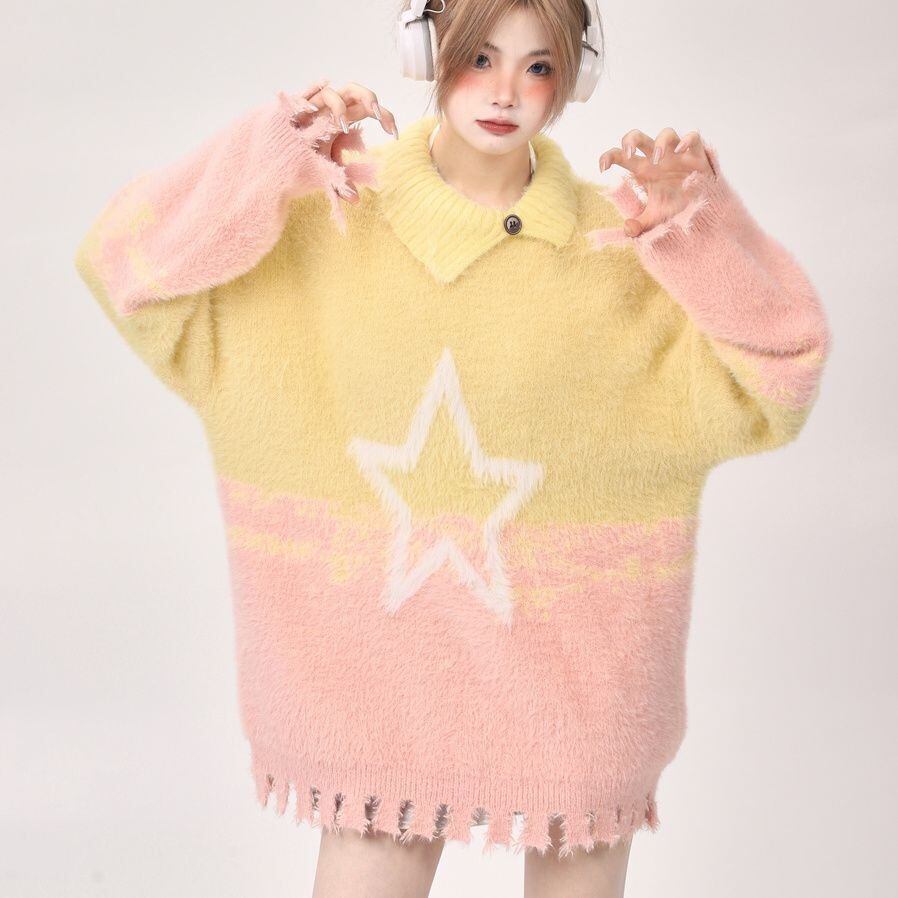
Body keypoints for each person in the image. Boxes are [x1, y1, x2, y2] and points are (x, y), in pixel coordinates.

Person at [73, 1, 831, 896]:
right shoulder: (330, 217)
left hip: (578, 701)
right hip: (373, 706)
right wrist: (270, 152)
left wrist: (700, 229)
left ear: (574, 76)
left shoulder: (622, 249)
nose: (506, 91)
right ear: (427, 50)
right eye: (480, 57)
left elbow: (781, 376)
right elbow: (125, 267)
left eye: (539, 66)